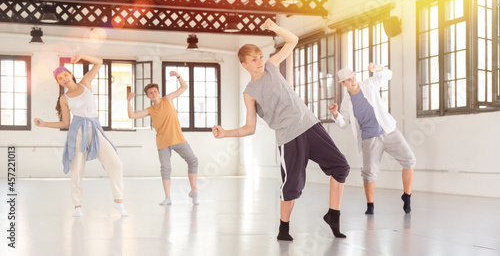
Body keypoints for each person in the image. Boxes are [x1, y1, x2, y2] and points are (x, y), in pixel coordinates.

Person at [211, 19, 350, 241]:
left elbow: (292, 40)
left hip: (310, 124)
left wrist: (275, 29)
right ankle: (283, 229)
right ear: (244, 65)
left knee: (341, 167)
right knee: (292, 185)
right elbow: (250, 127)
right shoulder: (250, 93)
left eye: (260, 57)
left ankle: (333, 215)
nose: (259, 61)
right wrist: (225, 132)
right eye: (253, 59)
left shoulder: (272, 66)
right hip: (289, 136)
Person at [34, 54, 129, 217]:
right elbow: (65, 123)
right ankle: (77, 206)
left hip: (94, 127)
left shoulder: (85, 83)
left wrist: (82, 56)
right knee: (76, 170)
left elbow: (99, 62)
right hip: (77, 131)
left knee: (116, 163)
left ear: (71, 74)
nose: (63, 79)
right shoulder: (64, 99)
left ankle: (118, 201)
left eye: (65, 75)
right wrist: (45, 124)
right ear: (58, 83)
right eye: (59, 78)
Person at [329, 63, 416, 215]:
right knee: (369, 174)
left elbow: (388, 75)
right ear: (343, 84)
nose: (353, 80)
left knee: (409, 160)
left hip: (388, 130)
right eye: (348, 80)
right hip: (369, 139)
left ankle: (407, 196)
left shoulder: (369, 84)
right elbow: (344, 125)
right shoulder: (346, 102)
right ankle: (370, 206)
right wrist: (336, 114)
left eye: (353, 77)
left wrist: (378, 69)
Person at [127, 72, 199, 206]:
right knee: (165, 168)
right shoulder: (150, 110)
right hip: (163, 143)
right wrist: (129, 101)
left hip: (178, 139)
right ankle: (168, 197)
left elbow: (184, 87)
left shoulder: (169, 99)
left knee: (193, 160)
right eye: (150, 93)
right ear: (148, 96)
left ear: (159, 92)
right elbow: (132, 115)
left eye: (155, 91)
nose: (153, 94)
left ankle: (194, 191)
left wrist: (178, 76)